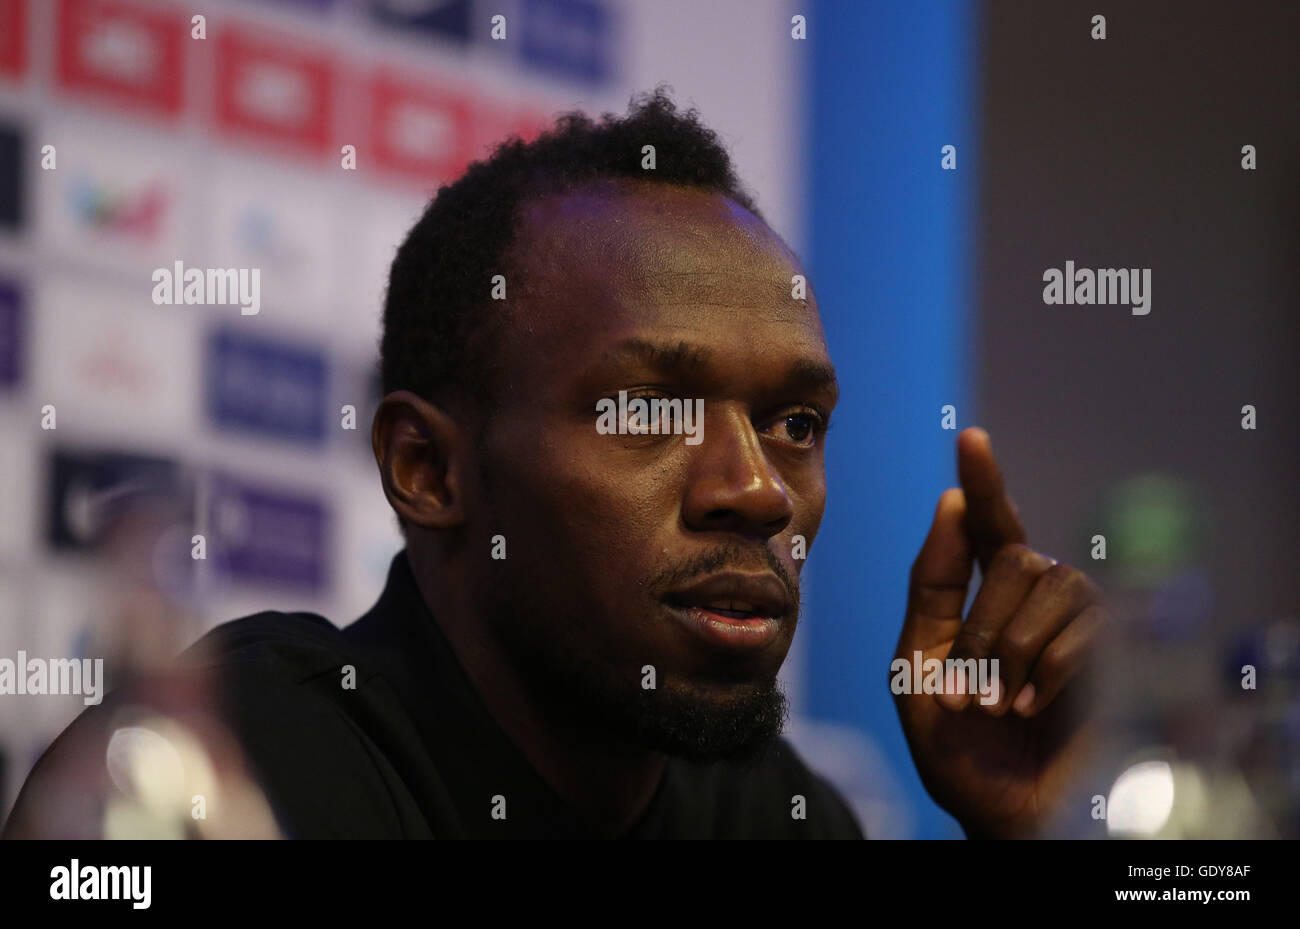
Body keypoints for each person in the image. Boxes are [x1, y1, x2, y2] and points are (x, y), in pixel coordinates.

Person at [3, 89, 1106, 839]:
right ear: (428, 468)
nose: (757, 490)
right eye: (650, 406)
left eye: (794, 423)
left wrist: (1021, 827)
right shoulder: (233, 773)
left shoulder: (771, 810)